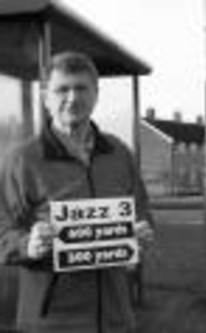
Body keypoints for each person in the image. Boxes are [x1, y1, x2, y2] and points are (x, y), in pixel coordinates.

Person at [0, 51, 154, 333]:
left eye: (81, 88)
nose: (72, 98)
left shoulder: (119, 153)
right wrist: (27, 245)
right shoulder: (22, 160)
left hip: (115, 318)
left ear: (96, 94)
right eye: (62, 89)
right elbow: (2, 230)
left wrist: (141, 234)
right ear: (46, 97)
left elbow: (141, 212)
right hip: (51, 322)